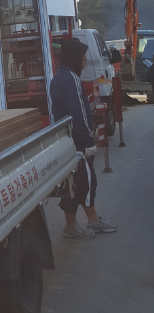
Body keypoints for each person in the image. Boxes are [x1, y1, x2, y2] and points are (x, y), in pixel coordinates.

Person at [50, 39, 117, 239]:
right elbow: (78, 113)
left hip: (67, 139)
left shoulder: (59, 77)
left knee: (73, 184)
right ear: (74, 57)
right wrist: (88, 142)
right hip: (76, 142)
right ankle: (93, 222)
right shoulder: (71, 79)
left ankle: (71, 226)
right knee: (86, 182)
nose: (86, 59)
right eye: (83, 56)